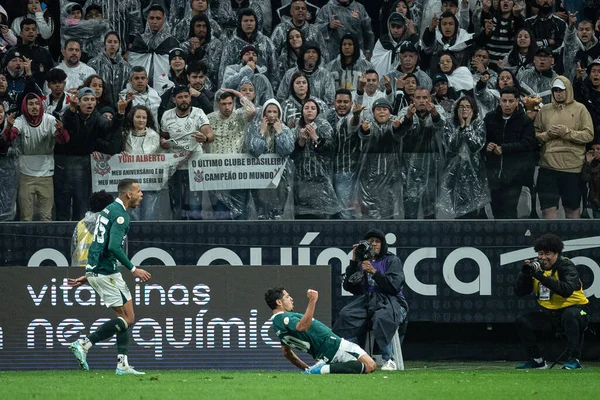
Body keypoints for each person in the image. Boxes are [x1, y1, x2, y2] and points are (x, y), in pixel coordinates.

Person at [67, 179, 152, 375]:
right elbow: (113, 246)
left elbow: (100, 245)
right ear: (128, 194)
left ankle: (122, 364)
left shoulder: (107, 211)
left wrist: (88, 275)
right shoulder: (121, 216)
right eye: (138, 191)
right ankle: (84, 343)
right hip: (106, 272)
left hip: (103, 270)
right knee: (126, 318)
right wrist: (133, 269)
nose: (142, 194)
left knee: (126, 318)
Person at [332, 229, 408, 371]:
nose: (373, 244)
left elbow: (394, 287)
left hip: (392, 301)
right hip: (367, 301)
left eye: (377, 242)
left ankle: (388, 359)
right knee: (346, 315)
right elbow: (350, 287)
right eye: (370, 242)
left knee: (381, 317)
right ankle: (354, 358)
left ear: (382, 244)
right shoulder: (361, 263)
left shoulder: (392, 260)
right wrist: (354, 262)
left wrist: (374, 272)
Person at [514, 233, 590, 370]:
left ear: (557, 254)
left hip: (579, 310)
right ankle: (537, 361)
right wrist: (525, 275)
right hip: (551, 314)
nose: (543, 258)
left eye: (547, 254)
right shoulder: (536, 268)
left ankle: (574, 359)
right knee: (522, 321)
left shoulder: (566, 266)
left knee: (570, 315)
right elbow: (519, 292)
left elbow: (566, 290)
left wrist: (540, 276)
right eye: (540, 254)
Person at [265, 286, 376, 374]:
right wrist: (312, 301)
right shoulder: (284, 317)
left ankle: (322, 369)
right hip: (335, 347)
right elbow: (302, 327)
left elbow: (286, 352)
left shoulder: (277, 324)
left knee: (358, 367)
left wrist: (306, 369)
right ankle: (322, 369)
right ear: (279, 302)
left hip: (324, 355)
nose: (291, 299)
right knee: (370, 365)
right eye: (287, 297)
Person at [2, 93, 69, 221]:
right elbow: (9, 138)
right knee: (26, 217)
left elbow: (64, 141)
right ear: (25, 107)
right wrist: (9, 127)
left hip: (46, 174)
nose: (34, 107)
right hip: (25, 174)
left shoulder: (49, 120)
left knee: (46, 217)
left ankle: (47, 241)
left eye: (37, 103)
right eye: (31, 104)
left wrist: (61, 131)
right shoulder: (20, 121)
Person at [534, 76, 594, 219]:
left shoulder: (580, 109)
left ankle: (573, 241)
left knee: (572, 209)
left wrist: (567, 133)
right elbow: (535, 135)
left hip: (572, 169)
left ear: (568, 90)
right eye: (555, 90)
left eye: (561, 90)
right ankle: (550, 241)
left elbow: (588, 135)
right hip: (548, 167)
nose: (558, 93)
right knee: (548, 210)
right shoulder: (544, 110)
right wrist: (548, 135)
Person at [161, 85, 214, 220]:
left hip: (194, 166)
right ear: (174, 100)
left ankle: (197, 239)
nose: (184, 100)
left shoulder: (198, 113)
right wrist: (162, 141)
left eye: (186, 96)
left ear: (190, 98)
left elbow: (210, 133)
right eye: (180, 97)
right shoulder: (167, 115)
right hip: (175, 167)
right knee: (177, 209)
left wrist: (205, 138)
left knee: (195, 208)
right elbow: (164, 136)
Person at [484, 86, 536, 219]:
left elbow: (528, 144)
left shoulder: (525, 120)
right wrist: (487, 146)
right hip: (493, 174)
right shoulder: (490, 118)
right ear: (499, 101)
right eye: (504, 100)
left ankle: (511, 239)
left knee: (510, 211)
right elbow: (482, 139)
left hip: (515, 175)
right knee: (496, 211)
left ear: (518, 101)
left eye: (511, 101)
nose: (507, 104)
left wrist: (505, 148)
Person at [438, 95, 490, 219]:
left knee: (477, 210)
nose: (464, 109)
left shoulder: (478, 123)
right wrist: (461, 127)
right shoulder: (449, 124)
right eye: (461, 107)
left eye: (468, 106)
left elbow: (475, 146)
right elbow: (452, 146)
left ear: (473, 109)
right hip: (454, 173)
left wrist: (467, 127)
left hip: (475, 172)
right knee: (459, 209)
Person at [71, 190, 114, 266]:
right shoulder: (115, 226)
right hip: (107, 273)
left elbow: (73, 252)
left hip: (81, 272)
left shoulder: (80, 225)